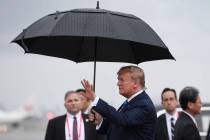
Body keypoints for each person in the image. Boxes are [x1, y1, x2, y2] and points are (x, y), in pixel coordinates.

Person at [81, 65, 157, 140]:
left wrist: (95, 99)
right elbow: (118, 127)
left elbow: (123, 120)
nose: (118, 83)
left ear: (135, 83)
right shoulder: (130, 102)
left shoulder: (143, 104)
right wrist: (100, 121)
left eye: (122, 80)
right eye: (118, 80)